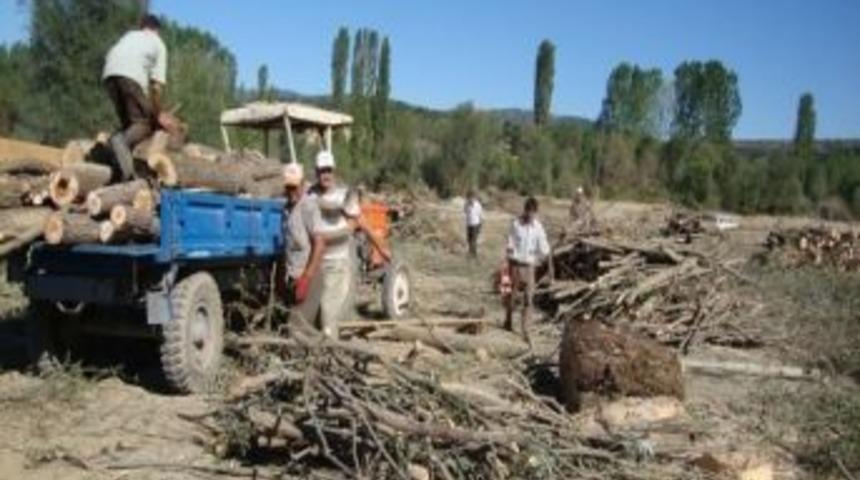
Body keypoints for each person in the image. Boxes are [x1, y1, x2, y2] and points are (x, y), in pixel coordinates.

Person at [309, 150, 390, 338]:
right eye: (322, 171)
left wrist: (380, 246)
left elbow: (361, 221)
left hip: (337, 261)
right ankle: (321, 345)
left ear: (334, 171)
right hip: (316, 262)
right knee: (316, 310)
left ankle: (330, 350)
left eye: (328, 170)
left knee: (328, 310)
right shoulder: (311, 195)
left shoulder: (343, 195)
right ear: (316, 172)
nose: (325, 175)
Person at [102, 14, 170, 180]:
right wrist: (157, 114)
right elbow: (156, 86)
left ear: (142, 27)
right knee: (143, 124)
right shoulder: (158, 44)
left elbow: (112, 56)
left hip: (109, 75)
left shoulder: (129, 36)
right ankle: (131, 178)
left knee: (129, 125)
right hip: (131, 77)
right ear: (156, 30)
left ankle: (116, 167)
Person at [282, 162, 325, 325]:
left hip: (309, 277)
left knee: (296, 329)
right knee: (297, 326)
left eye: (295, 187)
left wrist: (306, 278)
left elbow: (320, 244)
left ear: (302, 184)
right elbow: (286, 246)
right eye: (288, 187)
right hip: (293, 278)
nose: (291, 191)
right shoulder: (286, 209)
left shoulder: (308, 206)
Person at [504, 196, 550, 346]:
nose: (530, 216)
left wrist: (546, 254)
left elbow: (543, 246)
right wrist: (510, 252)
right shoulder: (516, 224)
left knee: (528, 299)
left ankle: (525, 329)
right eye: (529, 212)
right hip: (516, 264)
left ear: (535, 213)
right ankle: (508, 318)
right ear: (525, 211)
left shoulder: (538, 227)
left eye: (533, 213)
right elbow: (510, 240)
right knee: (512, 295)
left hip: (530, 266)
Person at [464, 190, 483, 258]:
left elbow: (480, 215)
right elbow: (465, 212)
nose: (470, 199)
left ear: (474, 197)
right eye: (468, 197)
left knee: (474, 240)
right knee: (469, 239)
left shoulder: (477, 205)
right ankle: (470, 252)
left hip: (476, 224)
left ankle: (474, 254)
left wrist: (480, 225)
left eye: (471, 197)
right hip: (469, 224)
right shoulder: (466, 204)